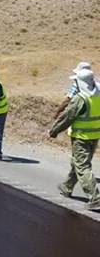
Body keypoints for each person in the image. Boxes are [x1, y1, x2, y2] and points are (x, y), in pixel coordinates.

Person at [46, 69, 100, 211]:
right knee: (78, 161)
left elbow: (67, 117)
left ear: (81, 82)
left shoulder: (80, 98)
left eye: (76, 80)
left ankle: (95, 197)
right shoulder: (98, 94)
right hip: (94, 135)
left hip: (81, 137)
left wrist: (53, 131)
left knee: (82, 166)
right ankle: (67, 186)